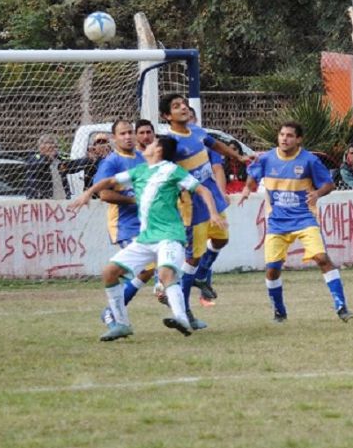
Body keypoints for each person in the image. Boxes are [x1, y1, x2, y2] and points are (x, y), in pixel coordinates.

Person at [68, 136, 226, 340]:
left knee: (166, 273)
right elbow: (109, 181)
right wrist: (87, 193)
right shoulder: (139, 171)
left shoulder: (171, 169)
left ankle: (181, 318)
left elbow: (202, 189)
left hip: (169, 235)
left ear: (158, 150)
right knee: (109, 272)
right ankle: (122, 324)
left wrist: (213, 213)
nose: (145, 145)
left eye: (151, 143)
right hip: (145, 239)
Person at [239, 121, 353, 323]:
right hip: (277, 222)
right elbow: (253, 174)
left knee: (321, 258)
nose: (285, 138)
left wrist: (317, 193)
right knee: (272, 269)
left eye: (290, 135)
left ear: (298, 139)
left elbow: (329, 184)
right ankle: (279, 310)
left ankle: (341, 306)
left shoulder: (309, 161)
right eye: (282, 135)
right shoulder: (266, 159)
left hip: (304, 219)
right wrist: (248, 188)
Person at [159, 93, 251, 329]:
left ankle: (201, 276)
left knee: (221, 239)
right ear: (167, 116)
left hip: (212, 199)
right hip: (192, 205)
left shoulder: (197, 132)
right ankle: (184, 309)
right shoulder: (170, 143)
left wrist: (239, 156)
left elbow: (215, 144)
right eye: (176, 106)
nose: (183, 108)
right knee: (192, 257)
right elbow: (163, 172)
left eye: (184, 104)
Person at [93, 119, 157, 329]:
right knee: (146, 267)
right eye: (122, 134)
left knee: (146, 270)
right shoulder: (111, 162)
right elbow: (103, 194)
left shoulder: (141, 158)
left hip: (145, 224)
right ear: (114, 138)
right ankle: (113, 315)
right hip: (123, 224)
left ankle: (112, 313)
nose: (128, 136)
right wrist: (134, 200)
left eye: (130, 132)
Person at [25, 134, 95, 199]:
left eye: (53, 144)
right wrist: (47, 158)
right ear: (40, 147)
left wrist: (88, 159)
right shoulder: (34, 158)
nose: (52, 146)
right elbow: (37, 167)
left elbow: (74, 164)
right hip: (42, 201)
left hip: (62, 201)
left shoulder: (60, 159)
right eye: (47, 143)